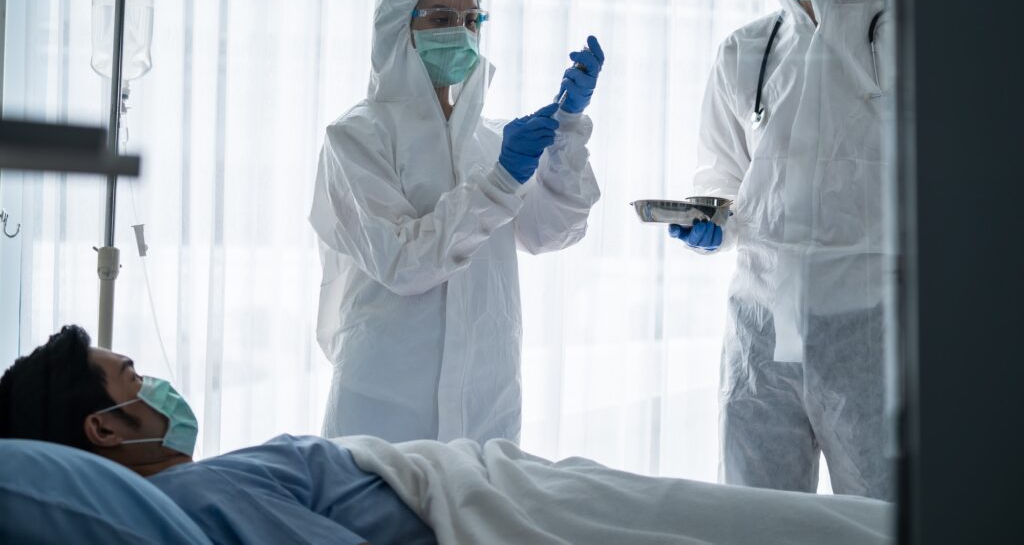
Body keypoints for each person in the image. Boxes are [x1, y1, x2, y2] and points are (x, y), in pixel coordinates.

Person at [0, 326, 894, 545]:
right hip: (481, 502)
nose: (153, 381)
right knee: (712, 520)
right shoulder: (196, 492)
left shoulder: (200, 488)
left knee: (703, 514)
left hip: (470, 479)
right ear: (106, 428)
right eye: (131, 378)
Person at [309, 0, 603, 444]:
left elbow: (552, 232)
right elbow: (404, 262)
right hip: (384, 406)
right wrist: (500, 182)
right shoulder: (357, 138)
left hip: (485, 405)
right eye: (442, 18)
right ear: (397, 26)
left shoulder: (490, 141)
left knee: (478, 522)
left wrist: (566, 131)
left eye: (472, 19)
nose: (462, 33)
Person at [669, 0, 892, 499]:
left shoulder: (913, 45)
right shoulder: (747, 52)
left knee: (885, 514)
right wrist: (709, 219)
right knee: (753, 515)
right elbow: (722, 174)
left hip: (873, 328)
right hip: (759, 330)